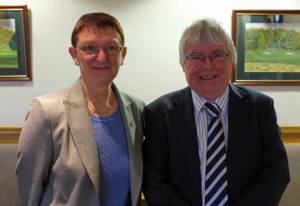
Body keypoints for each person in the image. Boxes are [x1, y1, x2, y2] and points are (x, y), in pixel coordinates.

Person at [142, 18, 290, 206]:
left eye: (217, 55)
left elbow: (276, 172)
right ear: (182, 64)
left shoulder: (260, 108)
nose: (208, 65)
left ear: (233, 60)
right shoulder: (159, 114)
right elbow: (154, 179)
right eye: (196, 57)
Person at [16, 12, 144, 206]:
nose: (101, 57)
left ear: (122, 54)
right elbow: (30, 190)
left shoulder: (136, 109)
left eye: (111, 47)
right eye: (89, 48)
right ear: (74, 54)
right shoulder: (46, 112)